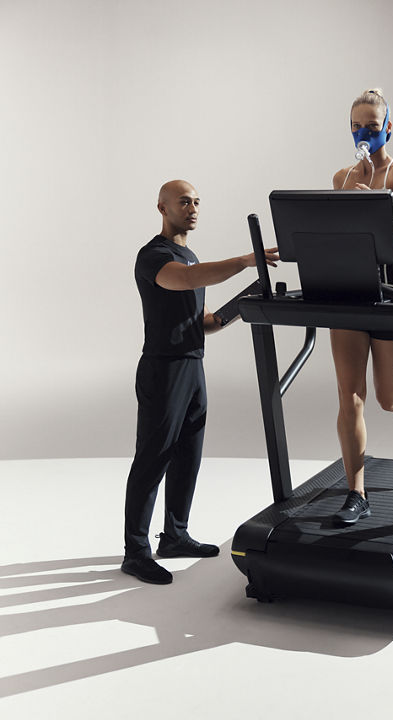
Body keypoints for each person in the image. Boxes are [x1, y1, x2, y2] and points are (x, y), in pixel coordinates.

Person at [121, 179, 278, 584]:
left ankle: (175, 535)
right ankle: (135, 551)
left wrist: (244, 301)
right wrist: (245, 261)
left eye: (196, 202)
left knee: (188, 456)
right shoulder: (154, 256)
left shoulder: (190, 256)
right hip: (163, 368)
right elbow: (187, 281)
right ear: (162, 207)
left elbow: (203, 322)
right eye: (183, 201)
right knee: (152, 458)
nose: (192, 208)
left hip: (193, 366)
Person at [331, 88, 393, 527]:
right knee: (350, 397)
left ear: (387, 127)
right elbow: (333, 234)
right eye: (357, 126)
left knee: (389, 398)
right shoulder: (342, 177)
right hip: (350, 286)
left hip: (392, 285)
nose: (364, 132)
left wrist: (375, 207)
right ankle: (357, 493)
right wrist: (347, 197)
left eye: (372, 126)